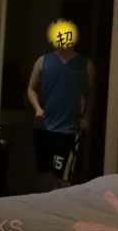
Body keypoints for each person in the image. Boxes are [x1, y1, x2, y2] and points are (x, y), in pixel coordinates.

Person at [27, 26, 95, 191]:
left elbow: (90, 93)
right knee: (43, 176)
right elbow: (31, 89)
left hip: (68, 131)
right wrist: (37, 108)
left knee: (63, 179)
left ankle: (62, 206)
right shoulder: (42, 61)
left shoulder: (86, 64)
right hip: (43, 128)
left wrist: (87, 117)